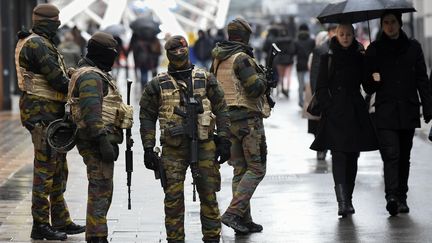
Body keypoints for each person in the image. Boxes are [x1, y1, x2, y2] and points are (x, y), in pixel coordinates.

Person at [139, 35, 231, 243]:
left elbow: (221, 108)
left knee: (208, 195)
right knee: (173, 200)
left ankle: (212, 238)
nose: (179, 55)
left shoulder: (205, 77)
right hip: (173, 148)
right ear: (168, 55)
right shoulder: (158, 84)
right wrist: (148, 147)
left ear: (187, 50)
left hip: (204, 144)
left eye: (182, 51)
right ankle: (175, 239)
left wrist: (224, 139)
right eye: (175, 52)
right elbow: (146, 115)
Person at [14, 3, 85, 240]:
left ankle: (61, 220)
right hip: (42, 116)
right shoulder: (37, 44)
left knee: (58, 169)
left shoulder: (39, 41)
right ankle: (41, 224)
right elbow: (58, 80)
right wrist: (80, 83)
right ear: (48, 22)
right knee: (44, 171)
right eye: (56, 21)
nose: (59, 25)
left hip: (49, 115)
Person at [364, 11, 432, 216]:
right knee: (391, 154)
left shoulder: (413, 47)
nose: (390, 26)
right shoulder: (374, 50)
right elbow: (367, 86)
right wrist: (373, 80)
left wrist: (428, 108)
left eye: (393, 22)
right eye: (386, 23)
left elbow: (422, 79)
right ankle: (391, 196)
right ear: (382, 25)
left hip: (408, 109)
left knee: (404, 156)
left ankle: (402, 196)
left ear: (400, 23)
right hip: (385, 111)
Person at [67, 32, 132, 243]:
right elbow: (92, 115)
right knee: (100, 188)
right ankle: (96, 236)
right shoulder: (91, 77)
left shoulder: (93, 72)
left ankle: (97, 232)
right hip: (95, 140)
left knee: (103, 186)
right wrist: (103, 141)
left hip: (98, 138)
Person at [310, 23, 378, 217]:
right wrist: (329, 106)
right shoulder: (327, 57)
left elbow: (367, 85)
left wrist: (374, 77)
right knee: (339, 155)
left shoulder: (360, 57)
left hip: (355, 111)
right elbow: (320, 87)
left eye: (349, 34)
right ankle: (342, 202)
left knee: (352, 156)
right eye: (342, 34)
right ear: (336, 35)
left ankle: (348, 198)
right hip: (335, 114)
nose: (346, 37)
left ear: (353, 35)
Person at [210, 17, 270, 234]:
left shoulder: (217, 58)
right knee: (257, 168)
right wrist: (264, 79)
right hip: (248, 122)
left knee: (240, 170)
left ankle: (243, 220)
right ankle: (234, 213)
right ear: (245, 36)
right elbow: (254, 88)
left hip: (227, 122)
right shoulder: (241, 58)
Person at [307, 24, 337, 161]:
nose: (337, 34)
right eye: (334, 31)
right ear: (329, 33)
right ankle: (321, 149)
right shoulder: (320, 49)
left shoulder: (346, 49)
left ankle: (332, 148)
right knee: (319, 123)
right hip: (324, 93)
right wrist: (317, 93)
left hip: (337, 95)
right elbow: (314, 73)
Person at [294, 23, 315, 108]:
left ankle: (300, 101)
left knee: (300, 84)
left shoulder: (296, 41)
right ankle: (308, 101)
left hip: (299, 65)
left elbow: (294, 52)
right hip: (309, 65)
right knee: (308, 84)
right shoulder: (311, 41)